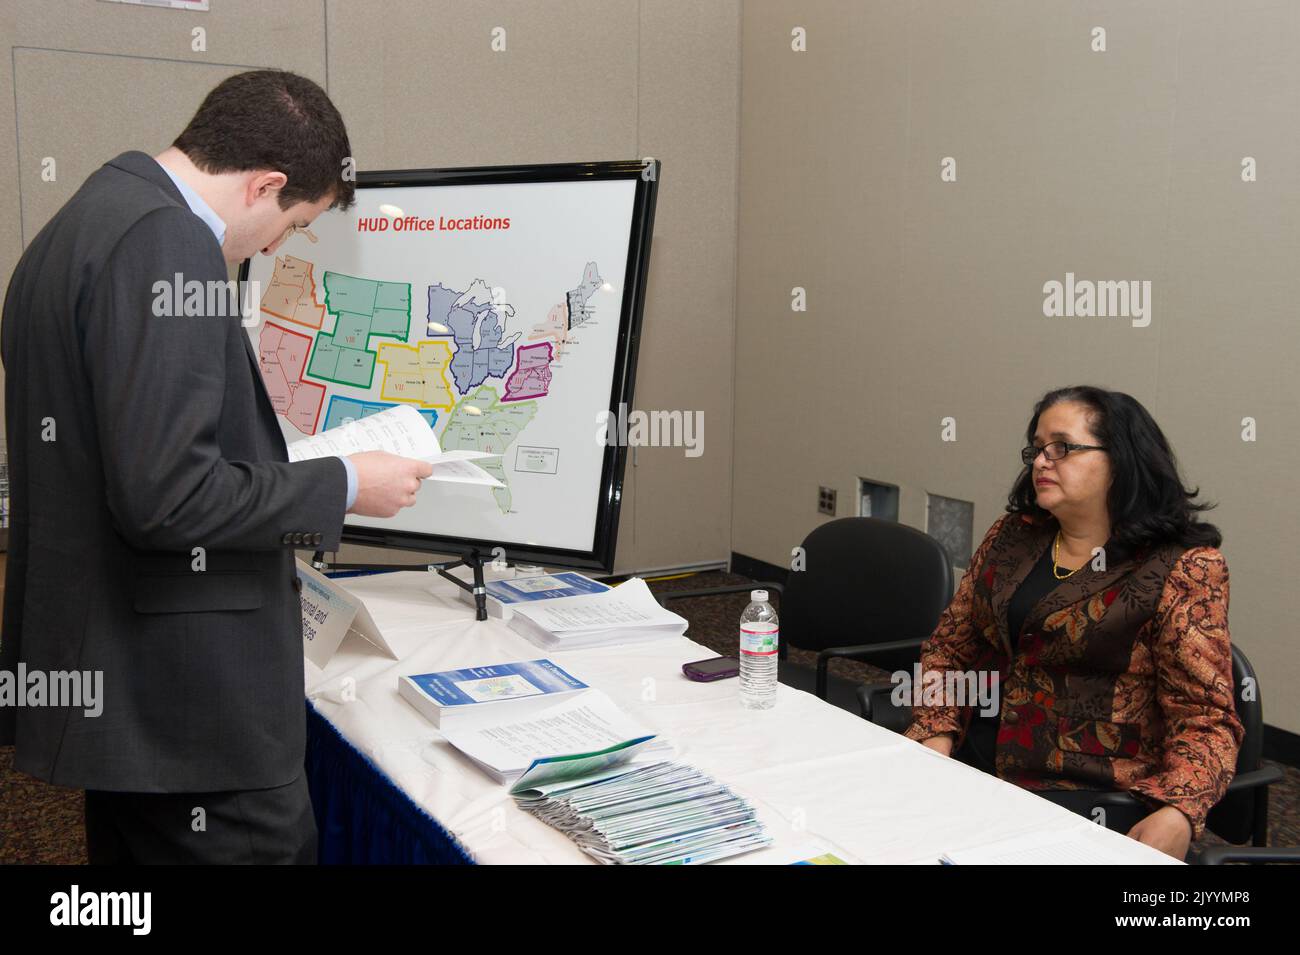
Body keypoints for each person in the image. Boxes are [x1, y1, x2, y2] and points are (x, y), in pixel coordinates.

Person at [0, 70, 432, 863]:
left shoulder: (83, 221)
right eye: (290, 223)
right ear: (266, 183)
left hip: (130, 697)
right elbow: (167, 497)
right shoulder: (167, 242)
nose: (273, 247)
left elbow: (128, 462)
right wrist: (344, 483)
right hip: (192, 709)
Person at [904, 385, 1243, 860]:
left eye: (1061, 447)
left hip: (1089, 797)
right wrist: (936, 731)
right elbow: (951, 648)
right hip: (973, 768)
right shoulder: (1013, 537)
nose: (1041, 461)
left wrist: (1178, 812)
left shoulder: (1181, 567)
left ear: (1120, 460)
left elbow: (1206, 719)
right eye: (1037, 448)